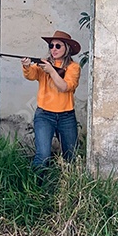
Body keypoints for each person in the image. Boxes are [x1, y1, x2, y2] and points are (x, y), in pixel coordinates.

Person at [22, 30, 82, 169]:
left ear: (67, 48)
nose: (53, 49)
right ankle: (34, 187)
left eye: (58, 46)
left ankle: (69, 186)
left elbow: (65, 87)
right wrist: (26, 65)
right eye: (51, 46)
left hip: (66, 116)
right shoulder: (44, 64)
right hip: (44, 115)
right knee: (42, 156)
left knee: (70, 156)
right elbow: (31, 75)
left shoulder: (73, 67)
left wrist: (51, 71)